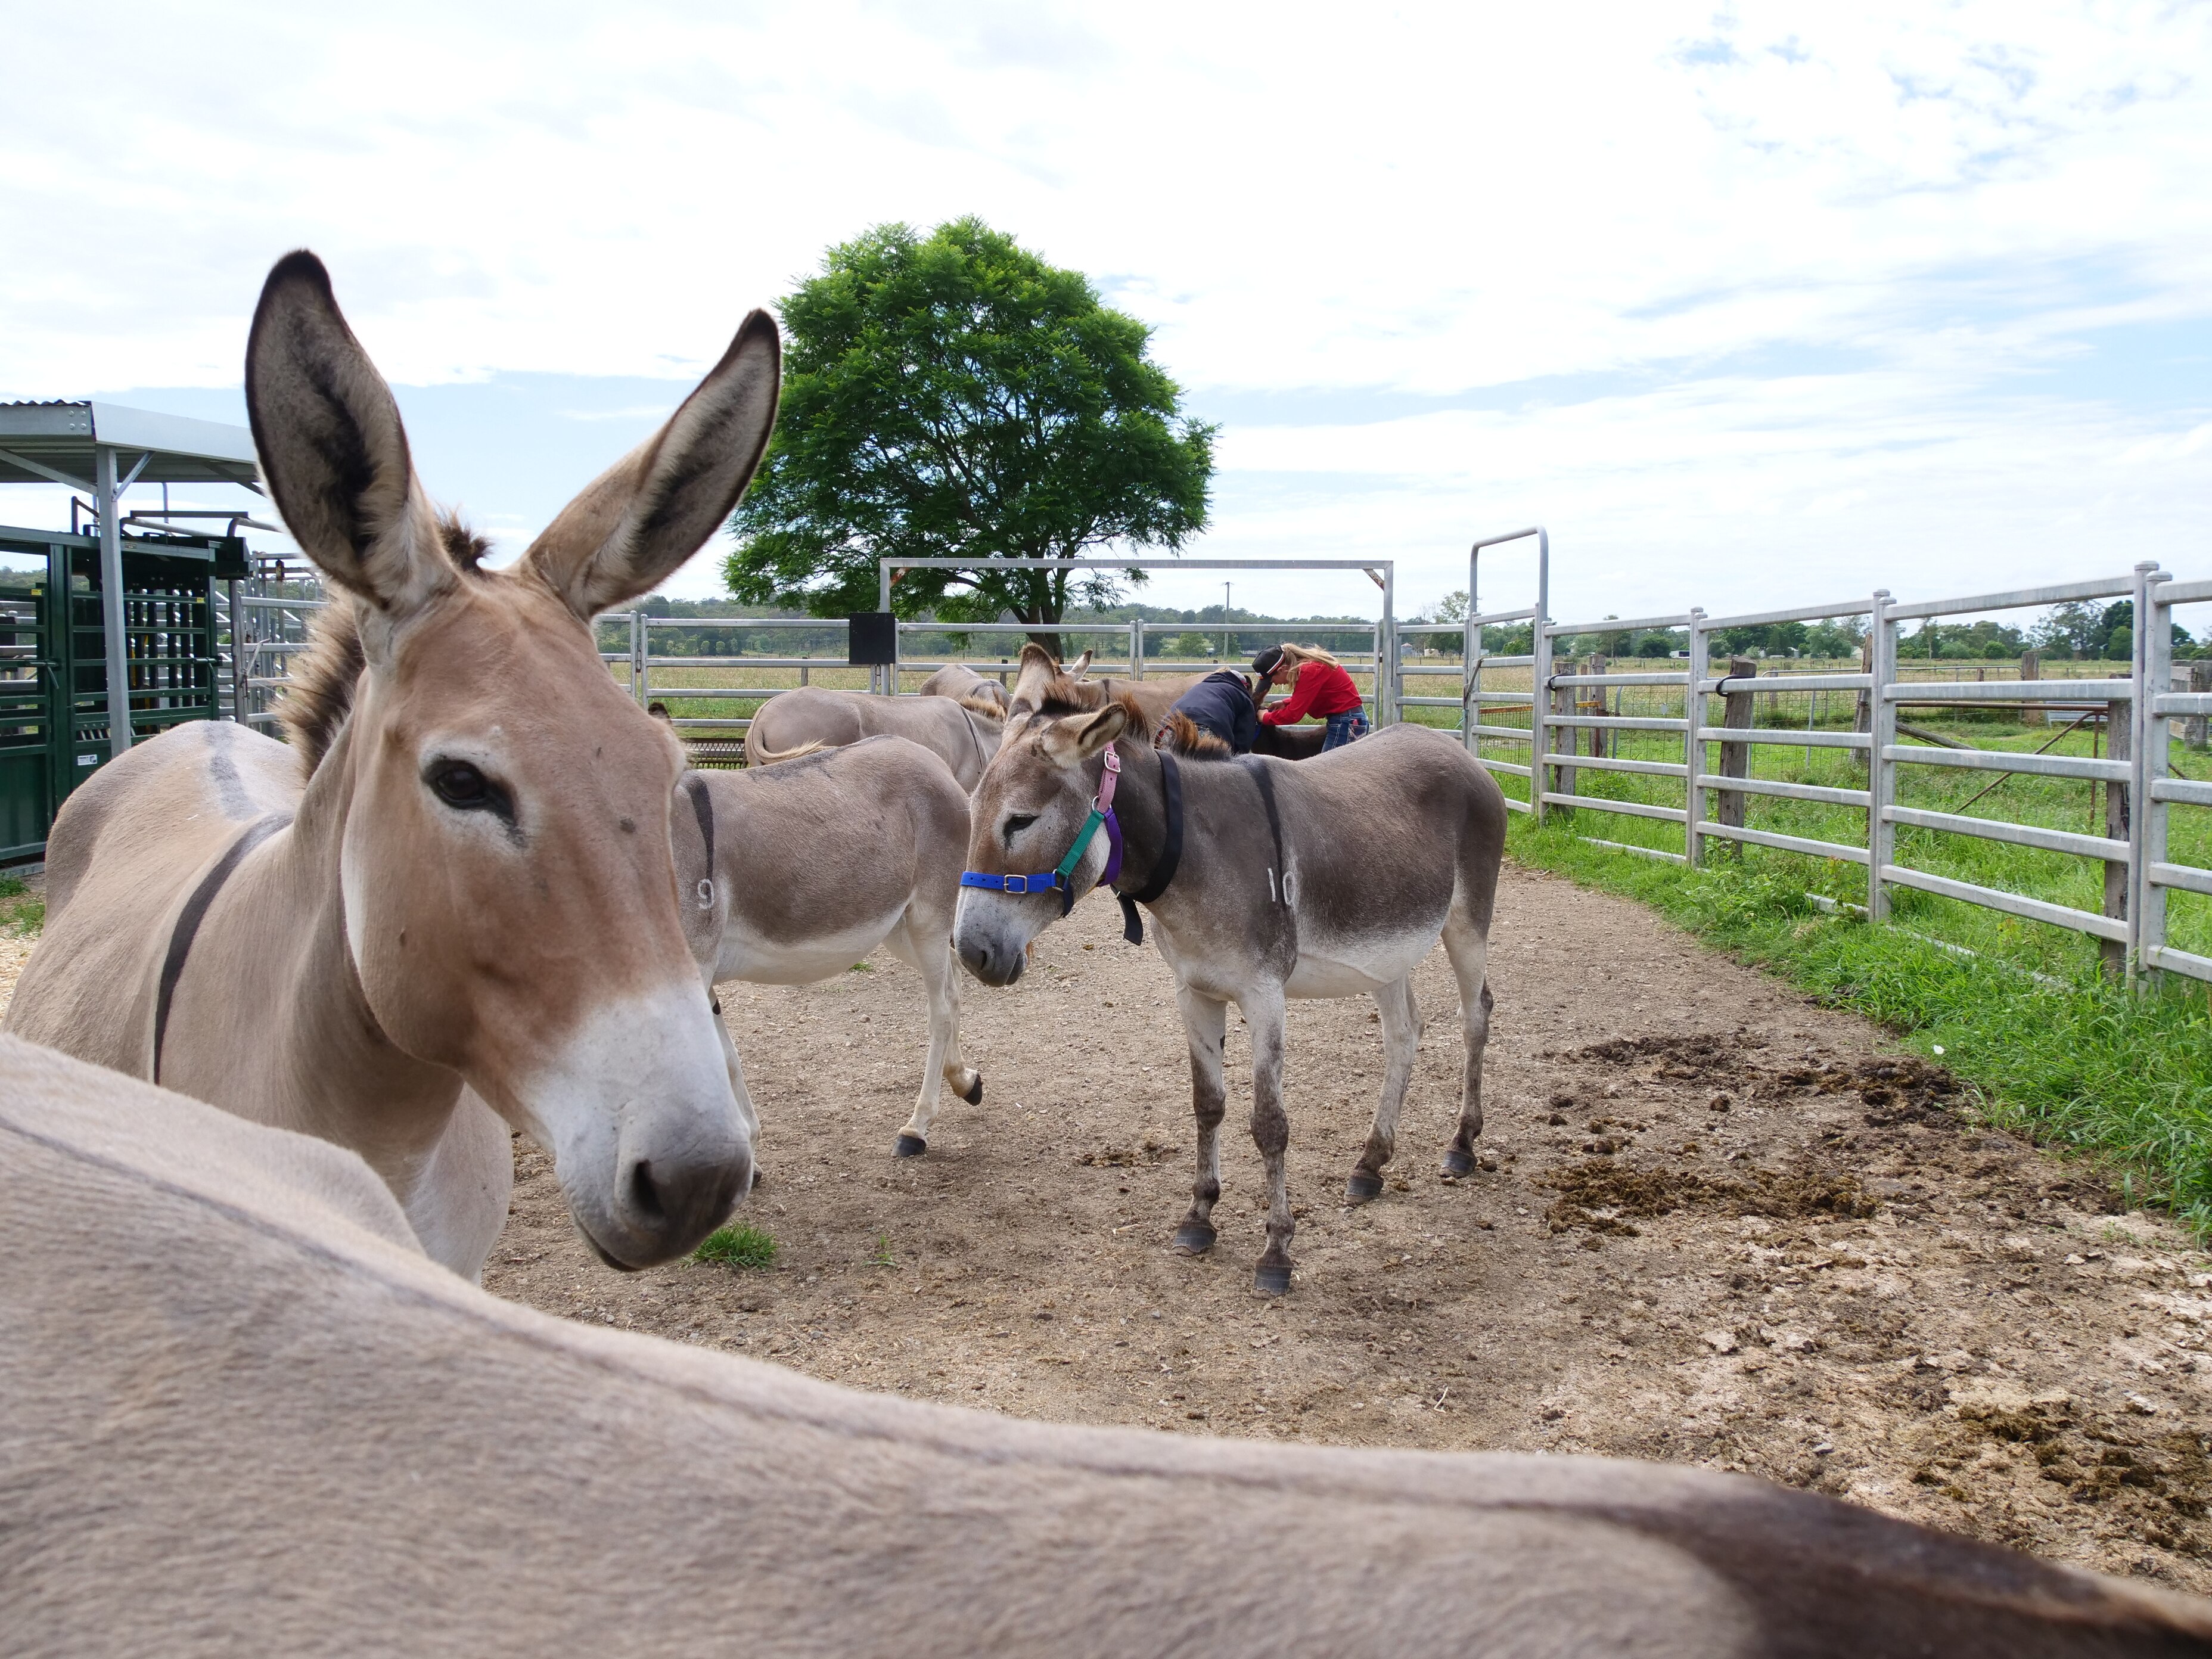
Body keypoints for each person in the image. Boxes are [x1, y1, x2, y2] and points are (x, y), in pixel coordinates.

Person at [1254, 644, 1368, 750]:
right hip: (1348, 720)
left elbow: (1293, 715)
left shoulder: (1308, 671)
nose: (1275, 684)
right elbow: (1314, 694)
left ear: (1282, 670)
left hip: (1346, 723)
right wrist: (1287, 703)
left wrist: (1265, 717)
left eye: (1272, 681)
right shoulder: (1310, 666)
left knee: (1328, 768)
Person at [1167, 667, 1262, 753]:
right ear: (1245, 686)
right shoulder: (1244, 698)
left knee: (1167, 769)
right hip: (1206, 730)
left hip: (1169, 726)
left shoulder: (1198, 687)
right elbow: (1241, 747)